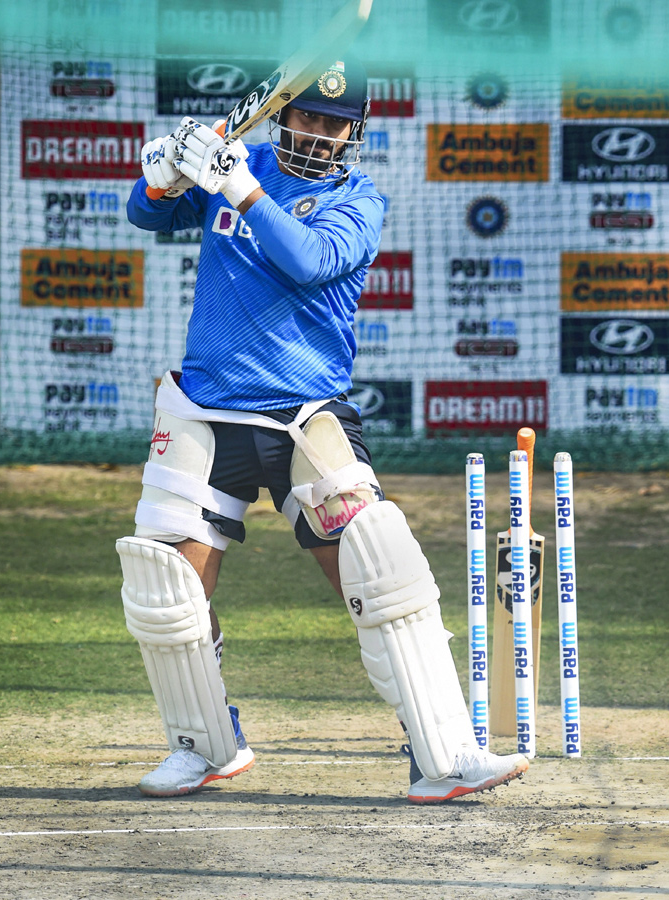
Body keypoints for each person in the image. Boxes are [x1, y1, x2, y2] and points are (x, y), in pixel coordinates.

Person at [119, 58, 528, 804]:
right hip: (208, 407)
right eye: (306, 118)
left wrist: (237, 185)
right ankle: (205, 746)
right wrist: (162, 176)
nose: (317, 134)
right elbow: (145, 217)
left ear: (354, 134)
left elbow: (307, 262)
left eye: (333, 124)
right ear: (285, 117)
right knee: (167, 589)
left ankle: (444, 754)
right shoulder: (244, 162)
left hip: (305, 414)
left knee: (382, 576)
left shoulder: (358, 203)